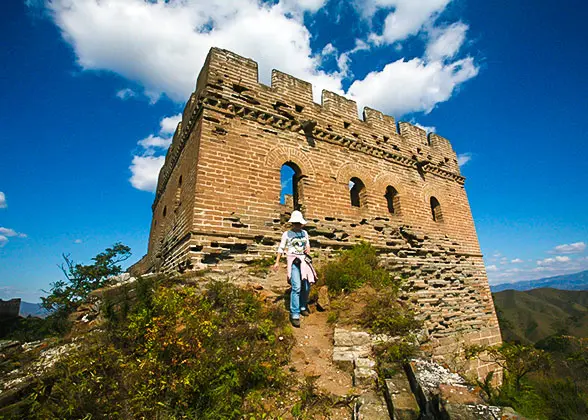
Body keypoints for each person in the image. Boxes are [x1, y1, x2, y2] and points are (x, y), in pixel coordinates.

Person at [272, 210, 316, 327]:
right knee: (296, 287)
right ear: (292, 223)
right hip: (294, 262)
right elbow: (281, 248)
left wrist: (307, 250)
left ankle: (303, 306)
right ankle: (295, 313)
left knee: (306, 286)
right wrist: (277, 262)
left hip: (304, 261)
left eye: (299, 223)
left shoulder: (305, 233)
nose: (297, 225)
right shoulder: (287, 234)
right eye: (295, 223)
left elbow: (307, 245)